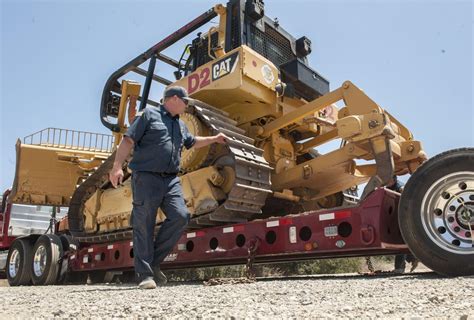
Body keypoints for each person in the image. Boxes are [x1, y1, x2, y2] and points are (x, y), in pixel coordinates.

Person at [109, 86, 227, 289]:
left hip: (170, 180)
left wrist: (214, 139)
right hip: (146, 178)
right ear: (173, 99)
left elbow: (193, 142)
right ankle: (145, 275)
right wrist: (117, 166)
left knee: (181, 216)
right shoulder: (149, 115)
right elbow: (128, 140)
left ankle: (152, 263)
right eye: (185, 101)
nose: (187, 105)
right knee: (143, 224)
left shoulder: (179, 125)